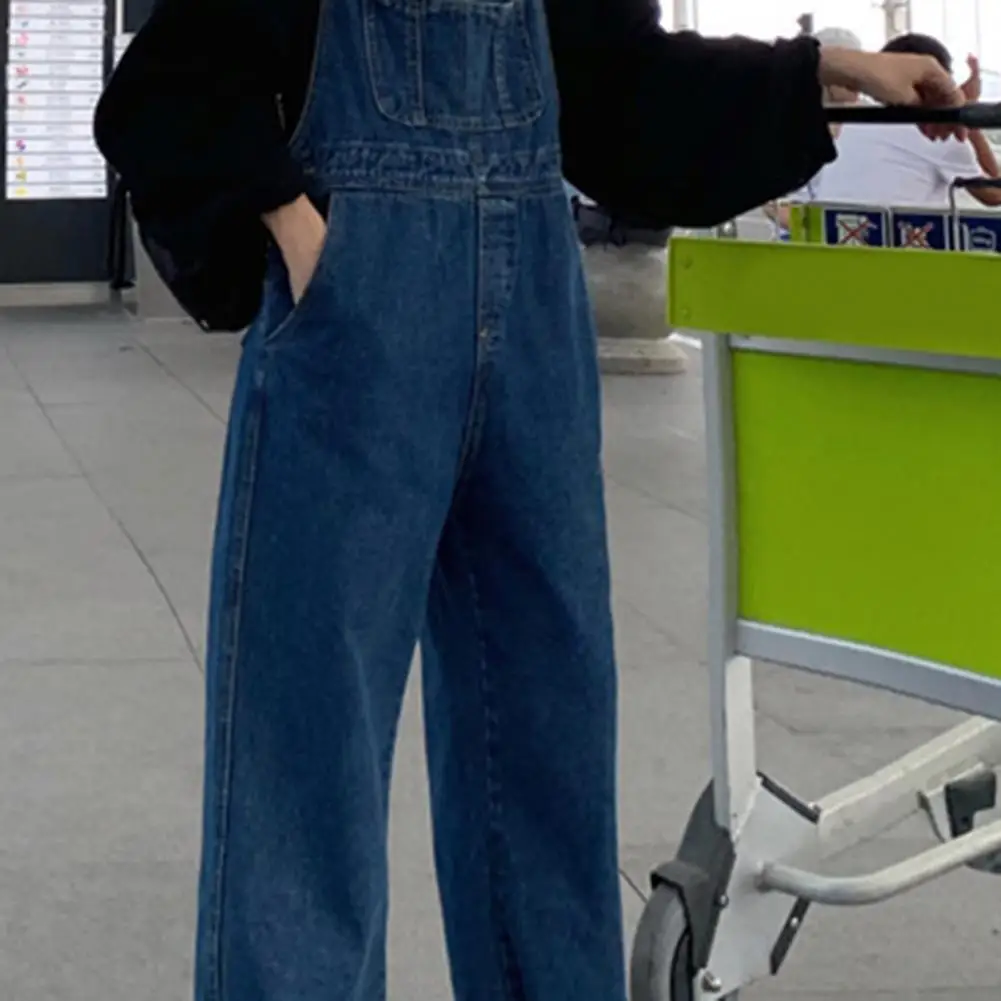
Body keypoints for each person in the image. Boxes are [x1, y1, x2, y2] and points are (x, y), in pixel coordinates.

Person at [93, 3, 965, 998]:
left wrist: (831, 71)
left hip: (534, 331)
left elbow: (622, 85)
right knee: (307, 732)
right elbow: (171, 81)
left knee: (549, 728)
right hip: (356, 318)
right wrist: (294, 224)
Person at [811, 33, 1001, 208]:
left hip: (835, 228)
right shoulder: (934, 133)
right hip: (900, 232)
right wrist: (965, 114)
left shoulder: (853, 123)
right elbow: (995, 194)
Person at [765, 26, 865, 239]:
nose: (859, 81)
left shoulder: (874, 122)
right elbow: (774, 206)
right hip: (801, 242)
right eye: (849, 72)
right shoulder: (788, 124)